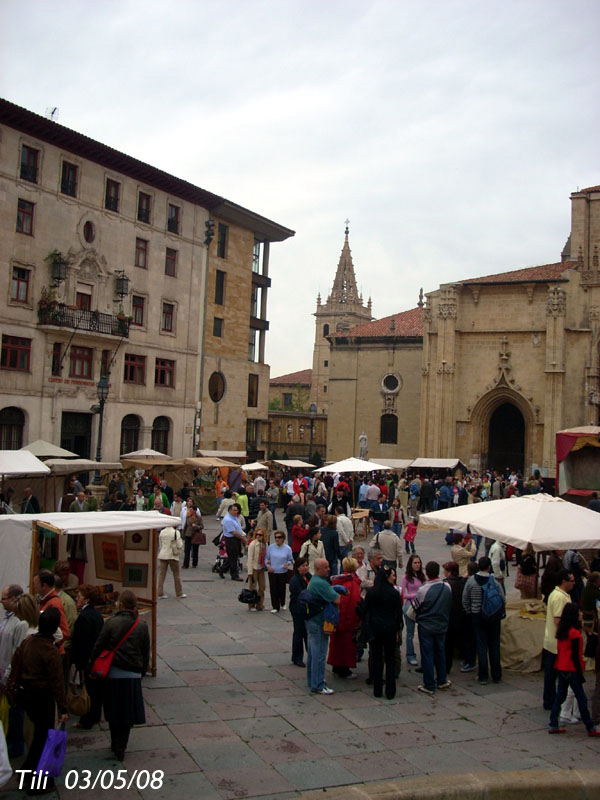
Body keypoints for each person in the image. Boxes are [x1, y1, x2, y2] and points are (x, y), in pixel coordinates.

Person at [7, 607, 68, 794]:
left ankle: (26, 774)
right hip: (42, 697)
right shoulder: (50, 651)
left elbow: (16, 661)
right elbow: (57, 682)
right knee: (44, 738)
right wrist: (63, 708)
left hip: (26, 694)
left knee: (39, 737)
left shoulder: (29, 642)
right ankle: (36, 782)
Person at [89, 590, 150, 761]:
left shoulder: (111, 622)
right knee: (127, 712)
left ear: (120, 604)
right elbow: (145, 652)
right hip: (132, 674)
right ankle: (121, 744)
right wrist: (142, 671)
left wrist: (91, 667)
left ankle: (116, 742)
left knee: (113, 709)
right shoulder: (142, 625)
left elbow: (98, 646)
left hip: (113, 673)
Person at [548, 602, 600, 736]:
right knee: (581, 698)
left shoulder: (562, 631)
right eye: (579, 613)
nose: (581, 614)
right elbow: (576, 656)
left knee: (560, 696)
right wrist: (580, 673)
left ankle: (553, 723)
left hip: (561, 666)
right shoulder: (575, 634)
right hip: (571, 668)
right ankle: (590, 727)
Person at [462, 556, 505, 685]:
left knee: (481, 646)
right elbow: (502, 598)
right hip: (493, 617)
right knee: (494, 646)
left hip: (477, 616)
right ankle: (496, 675)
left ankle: (483, 676)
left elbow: (465, 600)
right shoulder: (495, 582)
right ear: (489, 567)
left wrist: (470, 611)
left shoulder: (471, 581)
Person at [411, 561, 453, 696]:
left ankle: (429, 684)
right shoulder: (447, 586)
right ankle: (442, 679)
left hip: (427, 626)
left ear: (427, 573)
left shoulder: (423, 590)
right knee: (440, 651)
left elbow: (416, 607)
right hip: (442, 624)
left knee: (427, 654)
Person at [364, 565, 403, 699]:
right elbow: (398, 613)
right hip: (390, 629)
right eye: (392, 575)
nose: (394, 578)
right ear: (387, 577)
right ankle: (390, 691)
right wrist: (398, 629)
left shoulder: (372, 592)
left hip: (375, 628)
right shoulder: (393, 593)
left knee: (376, 658)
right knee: (390, 659)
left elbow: (365, 611)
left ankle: (377, 689)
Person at [70, 585, 104, 730]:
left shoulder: (84, 617)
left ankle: (87, 719)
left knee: (89, 689)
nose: (76, 598)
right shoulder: (96, 614)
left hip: (87, 659)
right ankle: (94, 715)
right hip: (96, 658)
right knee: (95, 690)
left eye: (79, 596)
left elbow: (81, 642)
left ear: (87, 599)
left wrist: (78, 661)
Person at [305, 558, 340, 695]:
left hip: (311, 620)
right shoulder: (321, 583)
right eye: (326, 567)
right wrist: (335, 592)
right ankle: (318, 684)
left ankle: (312, 680)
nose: (329, 569)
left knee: (313, 654)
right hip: (319, 622)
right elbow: (337, 599)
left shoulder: (314, 580)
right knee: (319, 654)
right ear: (318, 569)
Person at [542, 569, 575, 710]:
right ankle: (551, 701)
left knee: (551, 674)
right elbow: (558, 620)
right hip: (556, 643)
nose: (574, 583)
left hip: (553, 641)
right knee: (553, 674)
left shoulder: (560, 595)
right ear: (564, 581)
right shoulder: (559, 598)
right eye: (571, 580)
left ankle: (550, 700)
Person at [327, 557, 362, 679]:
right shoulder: (351, 583)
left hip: (339, 618)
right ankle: (344, 669)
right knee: (346, 647)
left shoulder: (340, 580)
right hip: (347, 619)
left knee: (337, 645)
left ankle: (337, 666)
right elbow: (349, 603)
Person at [33, 570, 69, 653]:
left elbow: (64, 632)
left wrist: (47, 644)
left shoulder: (54, 604)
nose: (34, 586)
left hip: (50, 652)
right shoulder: (45, 600)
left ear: (44, 586)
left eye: (36, 583)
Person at [400, 555, 425, 667]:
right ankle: (410, 655)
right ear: (411, 564)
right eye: (415, 563)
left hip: (420, 606)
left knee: (422, 632)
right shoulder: (406, 577)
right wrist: (413, 595)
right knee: (410, 632)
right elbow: (401, 593)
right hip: (409, 606)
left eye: (419, 563)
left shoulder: (422, 576)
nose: (417, 565)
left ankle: (424, 654)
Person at [289, 557, 311, 667]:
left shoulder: (308, 576)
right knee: (299, 632)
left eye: (306, 565)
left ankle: (310, 654)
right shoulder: (295, 580)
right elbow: (301, 594)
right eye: (303, 566)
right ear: (297, 568)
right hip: (297, 609)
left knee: (307, 633)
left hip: (307, 608)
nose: (305, 568)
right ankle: (297, 657)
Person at [265, 532, 293, 613]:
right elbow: (266, 559)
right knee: (273, 589)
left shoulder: (287, 548)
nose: (277, 539)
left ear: (283, 538)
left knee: (282, 588)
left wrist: (287, 564)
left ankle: (283, 602)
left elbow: (290, 560)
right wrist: (268, 566)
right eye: (276, 537)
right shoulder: (271, 547)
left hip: (282, 571)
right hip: (272, 571)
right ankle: (275, 606)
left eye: (279, 537)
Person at [157, 525, 186, 599]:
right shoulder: (176, 532)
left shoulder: (162, 532)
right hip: (172, 555)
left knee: (162, 574)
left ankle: (160, 592)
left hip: (163, 554)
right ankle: (179, 593)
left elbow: (160, 544)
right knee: (176, 574)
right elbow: (179, 544)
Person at [221, 503, 246, 581]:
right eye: (234, 510)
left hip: (236, 539)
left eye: (237, 510)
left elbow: (238, 528)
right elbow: (233, 532)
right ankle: (234, 575)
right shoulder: (228, 519)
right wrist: (242, 538)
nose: (236, 511)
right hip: (231, 540)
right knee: (233, 558)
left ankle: (222, 569)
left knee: (233, 557)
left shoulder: (234, 517)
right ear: (230, 510)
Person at [246, 528, 267, 611]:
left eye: (260, 535)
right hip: (254, 568)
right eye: (257, 534)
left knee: (262, 587)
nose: (258, 536)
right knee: (252, 587)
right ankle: (251, 605)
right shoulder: (253, 544)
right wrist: (250, 571)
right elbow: (250, 558)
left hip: (261, 568)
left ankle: (260, 604)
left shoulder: (265, 544)